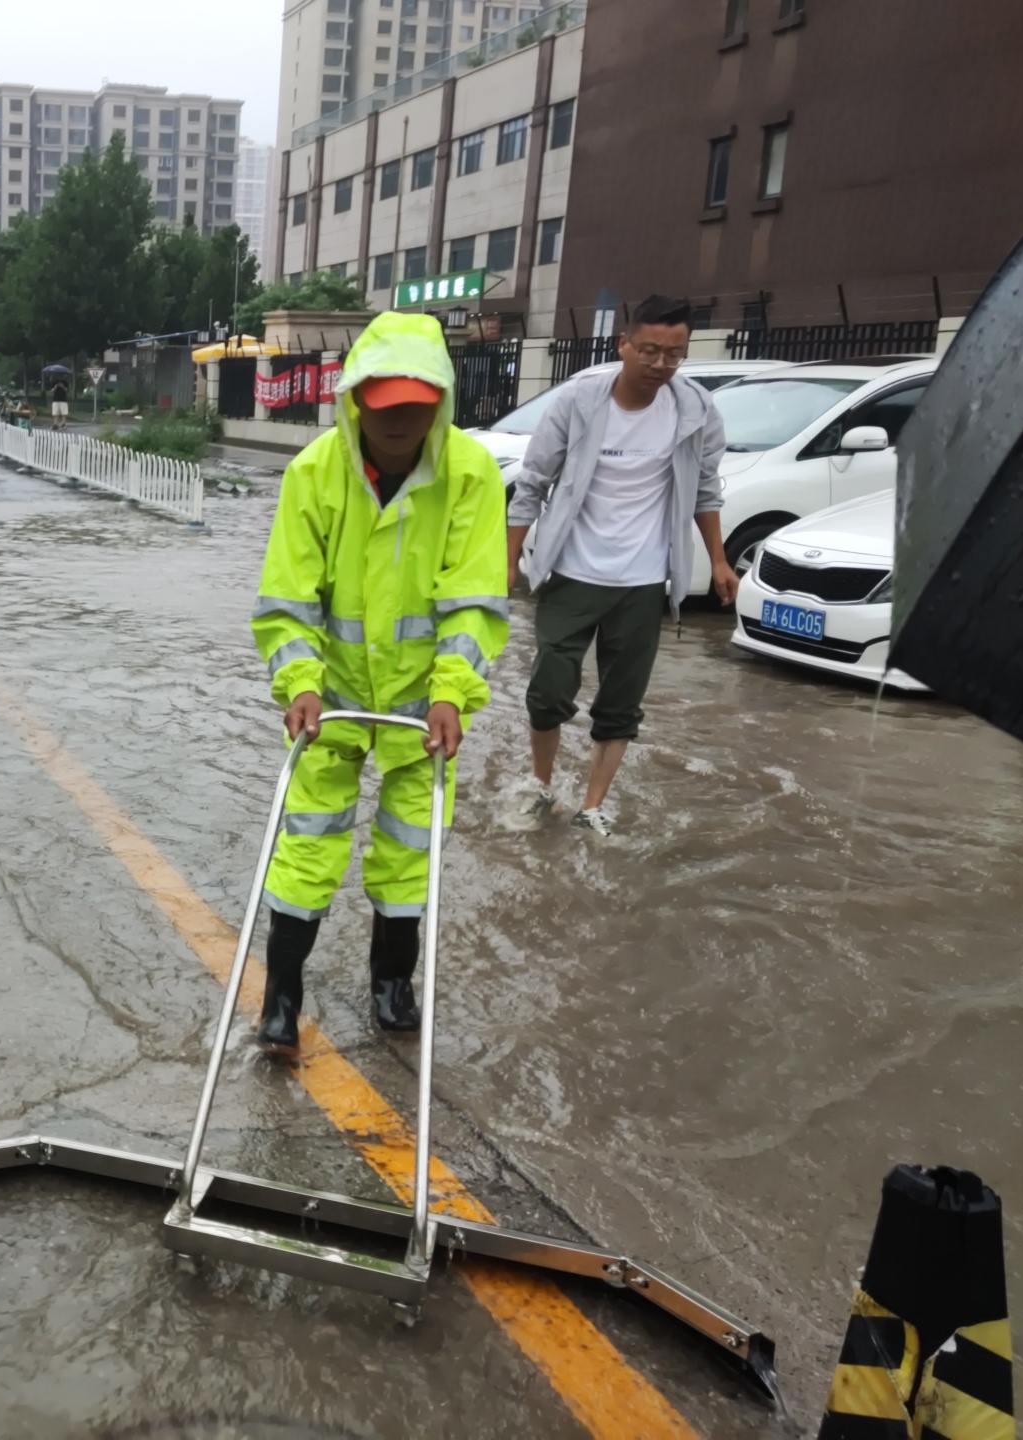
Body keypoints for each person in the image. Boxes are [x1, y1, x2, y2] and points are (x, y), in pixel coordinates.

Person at [250, 311, 509, 1058]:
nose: (401, 421)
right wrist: (298, 683)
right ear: (355, 400)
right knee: (307, 847)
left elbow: (474, 598)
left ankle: (392, 983)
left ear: (441, 403)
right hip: (329, 698)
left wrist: (451, 693)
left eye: (417, 406)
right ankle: (282, 996)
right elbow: (288, 600)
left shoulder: (470, 474)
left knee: (410, 849)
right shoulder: (314, 474)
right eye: (385, 405)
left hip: (423, 705)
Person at [504, 294, 737, 838]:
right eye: (650, 351)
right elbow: (532, 484)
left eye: (674, 354)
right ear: (624, 344)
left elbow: (705, 489)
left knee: (621, 704)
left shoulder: (694, 409)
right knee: (549, 690)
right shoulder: (580, 402)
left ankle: (591, 807)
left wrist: (720, 561)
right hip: (572, 571)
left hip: (643, 580)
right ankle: (540, 787)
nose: (660, 365)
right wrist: (508, 558)